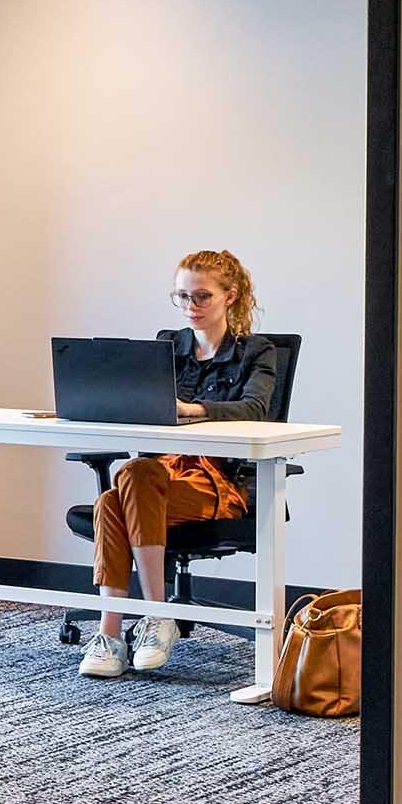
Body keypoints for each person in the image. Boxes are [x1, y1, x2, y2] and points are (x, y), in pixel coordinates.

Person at [78, 249, 280, 680]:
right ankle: (121, 631)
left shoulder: (255, 352)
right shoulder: (169, 346)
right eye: (182, 296)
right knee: (123, 489)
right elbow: (142, 405)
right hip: (159, 476)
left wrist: (192, 409)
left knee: (116, 497)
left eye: (202, 296)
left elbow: (256, 408)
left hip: (218, 480)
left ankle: (144, 619)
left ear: (230, 295)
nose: (191, 306)